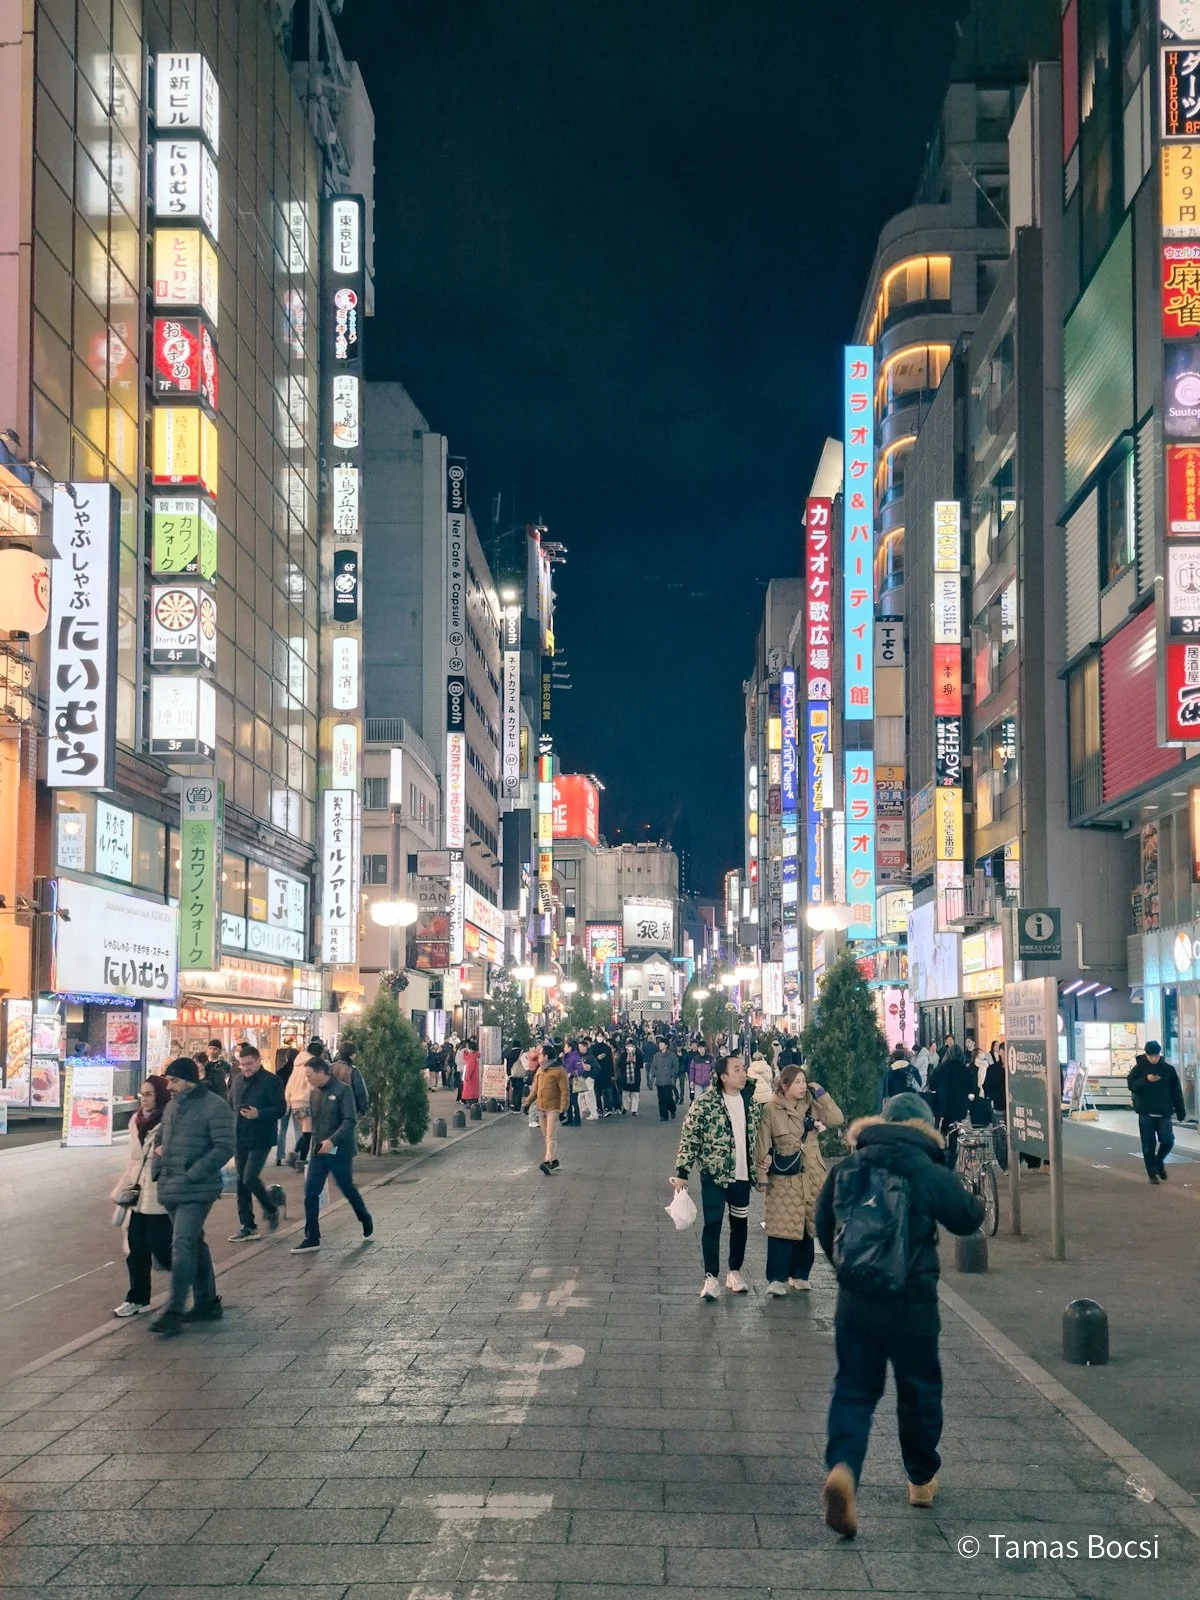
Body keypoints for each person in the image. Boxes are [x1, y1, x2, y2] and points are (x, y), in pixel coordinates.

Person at [815, 1092, 985, 1538]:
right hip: (913, 1307)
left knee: (853, 1390)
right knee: (919, 1392)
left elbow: (822, 1224)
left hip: (857, 1304)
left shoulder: (848, 1167)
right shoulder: (927, 1170)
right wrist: (978, 1198)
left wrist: (851, 1272)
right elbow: (967, 1219)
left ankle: (844, 1469)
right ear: (924, 1128)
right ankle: (920, 1479)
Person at [149, 1058, 236, 1335]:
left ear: (188, 1079)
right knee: (194, 1244)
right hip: (172, 1186)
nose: (169, 1086)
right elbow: (163, 1139)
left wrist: (194, 1172)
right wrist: (158, 1164)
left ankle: (173, 1309)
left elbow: (224, 1147)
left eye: (174, 1080)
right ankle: (206, 1302)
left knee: (182, 1244)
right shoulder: (173, 1106)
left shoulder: (214, 1106)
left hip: (196, 1189)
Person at [672, 1053, 764, 1300]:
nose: (743, 1073)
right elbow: (689, 1137)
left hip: (742, 1176)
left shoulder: (751, 1104)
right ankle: (710, 1277)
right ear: (724, 1077)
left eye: (743, 1069)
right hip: (714, 1175)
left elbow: (760, 1138)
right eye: (736, 1070)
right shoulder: (705, 1104)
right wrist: (682, 1172)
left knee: (740, 1225)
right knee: (712, 1224)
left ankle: (734, 1272)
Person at [755, 1065, 843, 1295]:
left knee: (807, 1226)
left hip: (812, 1173)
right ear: (784, 1085)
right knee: (781, 1228)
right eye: (796, 1082)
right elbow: (763, 1144)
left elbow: (836, 1119)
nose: (802, 1087)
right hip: (785, 1176)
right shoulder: (771, 1110)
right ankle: (776, 1278)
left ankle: (801, 1274)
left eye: (804, 1082)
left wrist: (822, 1094)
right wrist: (761, 1176)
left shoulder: (812, 1105)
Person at [291, 1055, 373, 1252]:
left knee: (346, 1187)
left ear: (322, 1072)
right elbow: (315, 1123)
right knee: (311, 1191)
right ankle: (312, 1236)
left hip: (340, 1150)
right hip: (319, 1150)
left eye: (311, 1076)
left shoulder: (343, 1091)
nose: (308, 1080)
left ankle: (364, 1217)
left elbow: (349, 1120)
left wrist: (332, 1140)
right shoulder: (314, 1093)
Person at [111, 1076, 173, 1318]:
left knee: (162, 1249)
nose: (144, 1099)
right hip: (138, 1191)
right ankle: (137, 1298)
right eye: (142, 1094)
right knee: (136, 1249)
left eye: (149, 1094)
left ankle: (195, 1280)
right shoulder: (136, 1120)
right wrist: (123, 1188)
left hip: (159, 1193)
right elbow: (134, 1159)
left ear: (159, 1095)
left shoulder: (169, 1120)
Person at [228, 1044, 286, 1242]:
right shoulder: (235, 1081)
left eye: (249, 1064)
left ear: (259, 1060)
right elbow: (231, 1106)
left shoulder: (271, 1081)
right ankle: (248, 1226)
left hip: (261, 1136)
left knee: (249, 1177)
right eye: (242, 1064)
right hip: (239, 1136)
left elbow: (280, 1109)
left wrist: (259, 1114)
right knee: (240, 1182)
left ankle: (271, 1208)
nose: (245, 1068)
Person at [1128, 1040, 1186, 1184]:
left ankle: (1159, 1161)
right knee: (1148, 1145)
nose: (1154, 1058)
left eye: (1156, 1055)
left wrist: (1180, 1112)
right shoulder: (1139, 1069)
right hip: (1145, 1112)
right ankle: (1152, 1174)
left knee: (1168, 1140)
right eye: (1151, 1056)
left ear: (1160, 1054)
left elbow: (1176, 1092)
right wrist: (1146, 1080)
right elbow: (1132, 1085)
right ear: (1146, 1055)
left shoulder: (1168, 1070)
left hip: (1164, 1112)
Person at [524, 1047, 569, 1175]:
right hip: (541, 1108)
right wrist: (527, 1103)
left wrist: (563, 1109)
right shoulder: (540, 1070)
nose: (538, 1057)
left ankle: (547, 1161)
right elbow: (535, 1090)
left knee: (550, 1135)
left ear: (547, 1056)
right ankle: (554, 1161)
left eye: (540, 1054)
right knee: (546, 1136)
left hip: (553, 1108)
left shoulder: (559, 1071)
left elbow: (565, 1091)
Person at [284, 1037, 323, 1167]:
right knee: (307, 1133)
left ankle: (294, 1155)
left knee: (306, 1131)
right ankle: (301, 1160)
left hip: (295, 1102)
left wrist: (288, 1099)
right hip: (306, 1101)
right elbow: (311, 1083)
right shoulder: (311, 1065)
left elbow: (290, 1084)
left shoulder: (297, 1064)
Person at [274, 1040, 299, 1165]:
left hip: (285, 1102)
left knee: (282, 1129)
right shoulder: (299, 1073)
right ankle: (299, 1155)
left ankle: (279, 1156)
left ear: (286, 1057)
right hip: (297, 1101)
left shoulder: (280, 1072)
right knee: (299, 1129)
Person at [588, 1034, 617, 1118]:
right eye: (598, 1036)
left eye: (601, 1036)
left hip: (606, 1073)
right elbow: (591, 1060)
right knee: (597, 1092)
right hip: (596, 1074)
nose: (600, 1038)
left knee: (607, 1092)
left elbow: (611, 1062)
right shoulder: (592, 1048)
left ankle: (607, 1108)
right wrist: (597, 1058)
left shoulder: (607, 1048)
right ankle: (599, 1108)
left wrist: (612, 1073)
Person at [648, 1040, 679, 1121]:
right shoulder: (657, 1056)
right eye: (659, 1044)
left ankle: (673, 1109)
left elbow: (676, 1067)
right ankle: (663, 1116)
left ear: (666, 1045)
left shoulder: (672, 1056)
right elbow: (653, 1067)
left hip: (668, 1081)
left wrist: (671, 1073)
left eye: (662, 1044)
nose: (660, 1045)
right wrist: (654, 1073)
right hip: (659, 1081)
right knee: (661, 1099)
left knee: (668, 1098)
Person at [563, 1038, 585, 1126]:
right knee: (568, 1101)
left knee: (574, 1101)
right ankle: (569, 1118)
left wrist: (571, 1074)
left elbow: (580, 1070)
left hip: (574, 1081)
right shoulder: (566, 1057)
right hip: (567, 1081)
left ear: (570, 1048)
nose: (564, 1048)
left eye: (565, 1047)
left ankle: (577, 1119)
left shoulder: (575, 1057)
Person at [619, 1041, 641, 1115]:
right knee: (625, 1093)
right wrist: (627, 1061)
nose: (630, 1047)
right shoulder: (623, 1054)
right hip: (626, 1076)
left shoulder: (638, 1054)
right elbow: (620, 1065)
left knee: (635, 1094)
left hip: (635, 1076)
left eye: (632, 1046)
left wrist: (634, 1061)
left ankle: (634, 1110)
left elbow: (641, 1064)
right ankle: (625, 1107)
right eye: (629, 1045)